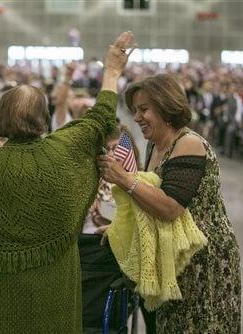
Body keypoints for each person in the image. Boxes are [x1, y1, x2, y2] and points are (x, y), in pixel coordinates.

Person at [0, 31, 135, 333]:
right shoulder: (64, 148)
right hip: (55, 285)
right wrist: (113, 70)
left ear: (0, 117)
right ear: (43, 116)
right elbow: (101, 116)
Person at [97, 73, 241, 333]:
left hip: (201, 263)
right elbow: (147, 203)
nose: (137, 117)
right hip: (174, 260)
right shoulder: (156, 145)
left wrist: (123, 178)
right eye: (135, 111)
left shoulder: (188, 143)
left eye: (144, 110)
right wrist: (116, 229)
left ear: (166, 106)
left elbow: (170, 207)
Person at [79, 124, 140, 333]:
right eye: (108, 150)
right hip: (82, 255)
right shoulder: (85, 184)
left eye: (118, 149)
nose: (113, 155)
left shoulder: (138, 185)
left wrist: (115, 230)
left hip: (112, 261)